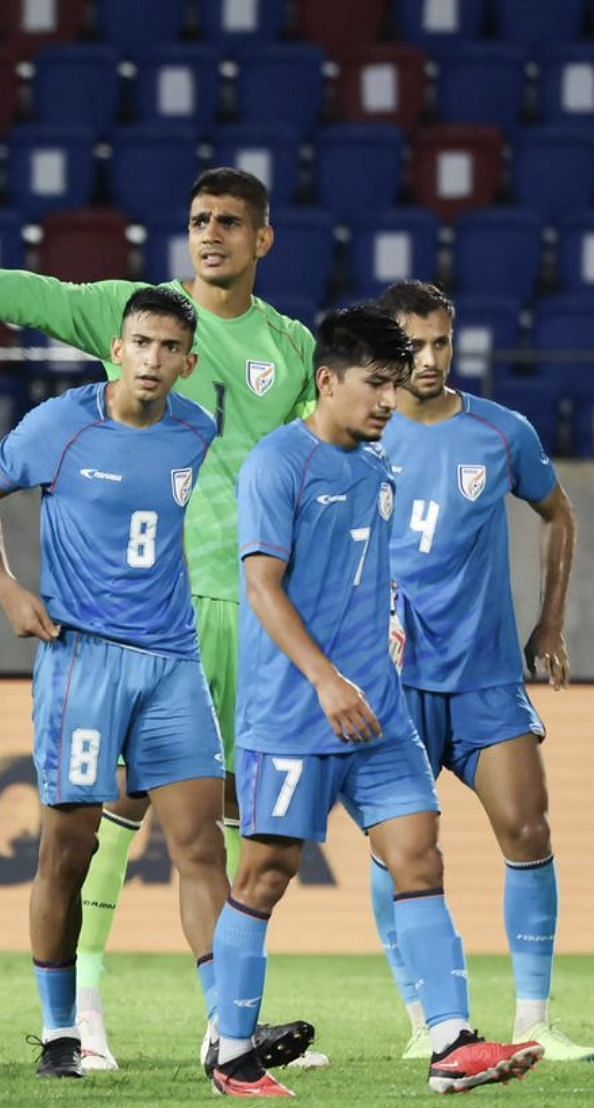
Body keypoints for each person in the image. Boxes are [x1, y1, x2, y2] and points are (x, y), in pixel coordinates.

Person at [0, 167, 323, 1074]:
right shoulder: (122, 329)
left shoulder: (282, 351)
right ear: (123, 346)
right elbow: (42, 299)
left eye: (230, 222)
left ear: (263, 239)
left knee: (225, 818)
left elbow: (311, 457)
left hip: (243, 614)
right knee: (101, 821)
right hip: (122, 630)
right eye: (198, 220)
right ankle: (81, 1015)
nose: (211, 234)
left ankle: (230, 1028)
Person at [211, 305, 544, 1098]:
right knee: (266, 872)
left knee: (419, 857)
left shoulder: (378, 467)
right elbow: (263, 587)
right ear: (327, 380)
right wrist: (328, 680)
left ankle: (449, 1041)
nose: (390, 401)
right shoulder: (277, 464)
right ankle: (230, 1052)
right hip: (295, 713)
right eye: (375, 384)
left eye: (396, 385)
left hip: (379, 715)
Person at [0, 288, 239, 1079]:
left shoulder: (196, 430)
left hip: (172, 661)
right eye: (140, 343)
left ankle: (226, 1027)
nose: (152, 359)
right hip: (83, 660)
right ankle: (59, 1033)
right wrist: (9, 587)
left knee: (199, 847)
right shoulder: (60, 424)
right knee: (67, 848)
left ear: (188, 361)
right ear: (117, 349)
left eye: (168, 348)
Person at [368, 281, 590, 1062]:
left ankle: (534, 1019)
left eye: (441, 343)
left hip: (487, 677)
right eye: (412, 345)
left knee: (528, 831)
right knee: (397, 850)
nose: (428, 360)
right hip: (394, 685)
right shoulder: (362, 434)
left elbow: (559, 511)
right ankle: (423, 1018)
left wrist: (551, 623)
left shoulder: (502, 433)